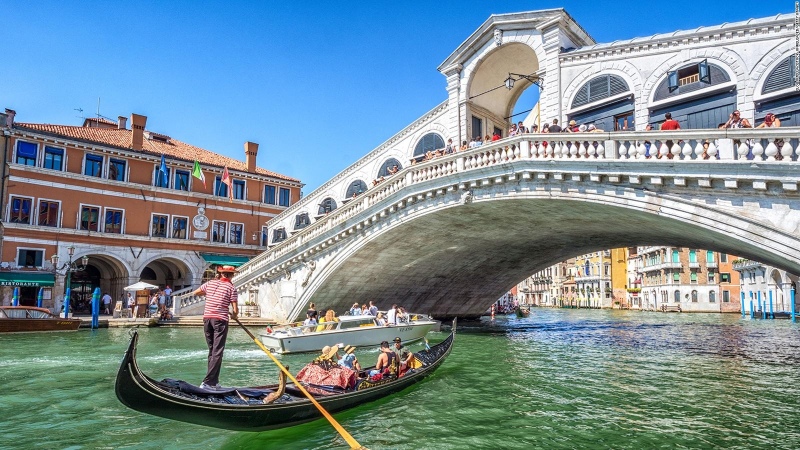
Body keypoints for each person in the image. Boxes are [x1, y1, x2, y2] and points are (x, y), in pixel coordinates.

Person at [191, 265, 239, 390]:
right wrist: (234, 316)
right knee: (217, 351)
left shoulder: (210, 283)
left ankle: (214, 382)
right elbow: (235, 309)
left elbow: (196, 292)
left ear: (221, 274)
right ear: (232, 275)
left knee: (212, 351)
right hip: (220, 320)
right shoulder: (231, 288)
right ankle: (208, 382)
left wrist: (210, 296)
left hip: (207, 318)